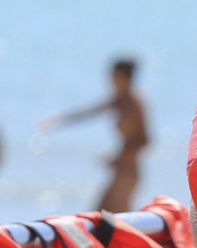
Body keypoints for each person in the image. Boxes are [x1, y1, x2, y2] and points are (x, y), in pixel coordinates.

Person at [44, 58, 150, 212]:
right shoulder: (119, 100)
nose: (110, 80)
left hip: (129, 171)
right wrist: (59, 120)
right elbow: (91, 111)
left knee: (114, 219)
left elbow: (145, 140)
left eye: (113, 76)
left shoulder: (134, 103)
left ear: (122, 76)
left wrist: (118, 157)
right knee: (101, 215)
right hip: (120, 169)